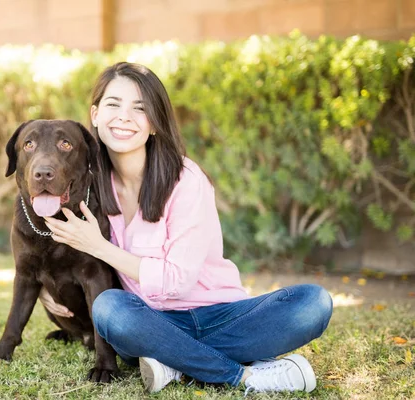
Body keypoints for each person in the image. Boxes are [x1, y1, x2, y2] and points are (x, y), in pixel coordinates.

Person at [41, 62, 333, 394]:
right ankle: (243, 372)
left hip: (220, 315)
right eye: (113, 104)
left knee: (313, 302)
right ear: (94, 114)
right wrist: (48, 287)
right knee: (111, 309)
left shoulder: (185, 180)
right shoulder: (89, 182)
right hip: (146, 320)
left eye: (140, 108)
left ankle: (176, 362)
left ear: (154, 123)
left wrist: (99, 246)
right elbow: (44, 230)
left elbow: (177, 282)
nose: (123, 116)